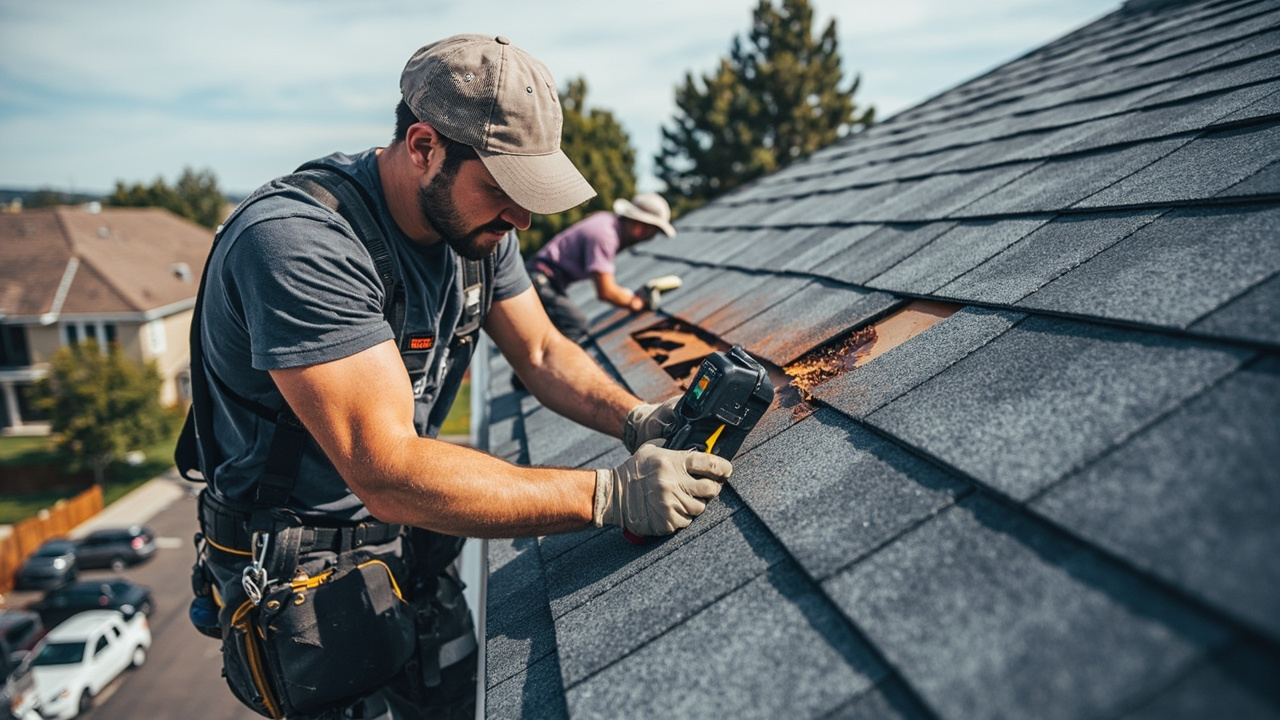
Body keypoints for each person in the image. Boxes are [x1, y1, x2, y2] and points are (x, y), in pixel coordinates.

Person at [184, 34, 730, 720]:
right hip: (307, 580)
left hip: (414, 538)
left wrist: (636, 418)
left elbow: (540, 351)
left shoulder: (476, 229)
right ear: (423, 147)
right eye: (504, 189)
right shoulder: (300, 242)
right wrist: (609, 495)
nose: (522, 219)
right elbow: (385, 469)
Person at [526, 193, 676, 344]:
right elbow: (606, 291)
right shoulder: (605, 236)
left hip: (541, 277)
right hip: (539, 279)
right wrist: (636, 302)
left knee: (544, 335)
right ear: (640, 225)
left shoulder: (607, 222)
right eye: (653, 231)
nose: (651, 238)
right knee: (573, 324)